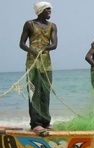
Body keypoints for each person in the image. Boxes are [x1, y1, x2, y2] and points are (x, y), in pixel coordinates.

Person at [19, 1, 58, 132]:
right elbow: (22, 44)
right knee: (34, 92)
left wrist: (45, 48)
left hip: (46, 64)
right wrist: (33, 51)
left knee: (46, 93)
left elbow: (54, 44)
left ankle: (46, 122)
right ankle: (35, 123)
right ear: (40, 10)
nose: (50, 12)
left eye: (50, 10)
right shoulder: (29, 24)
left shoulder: (52, 26)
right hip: (32, 64)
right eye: (48, 10)